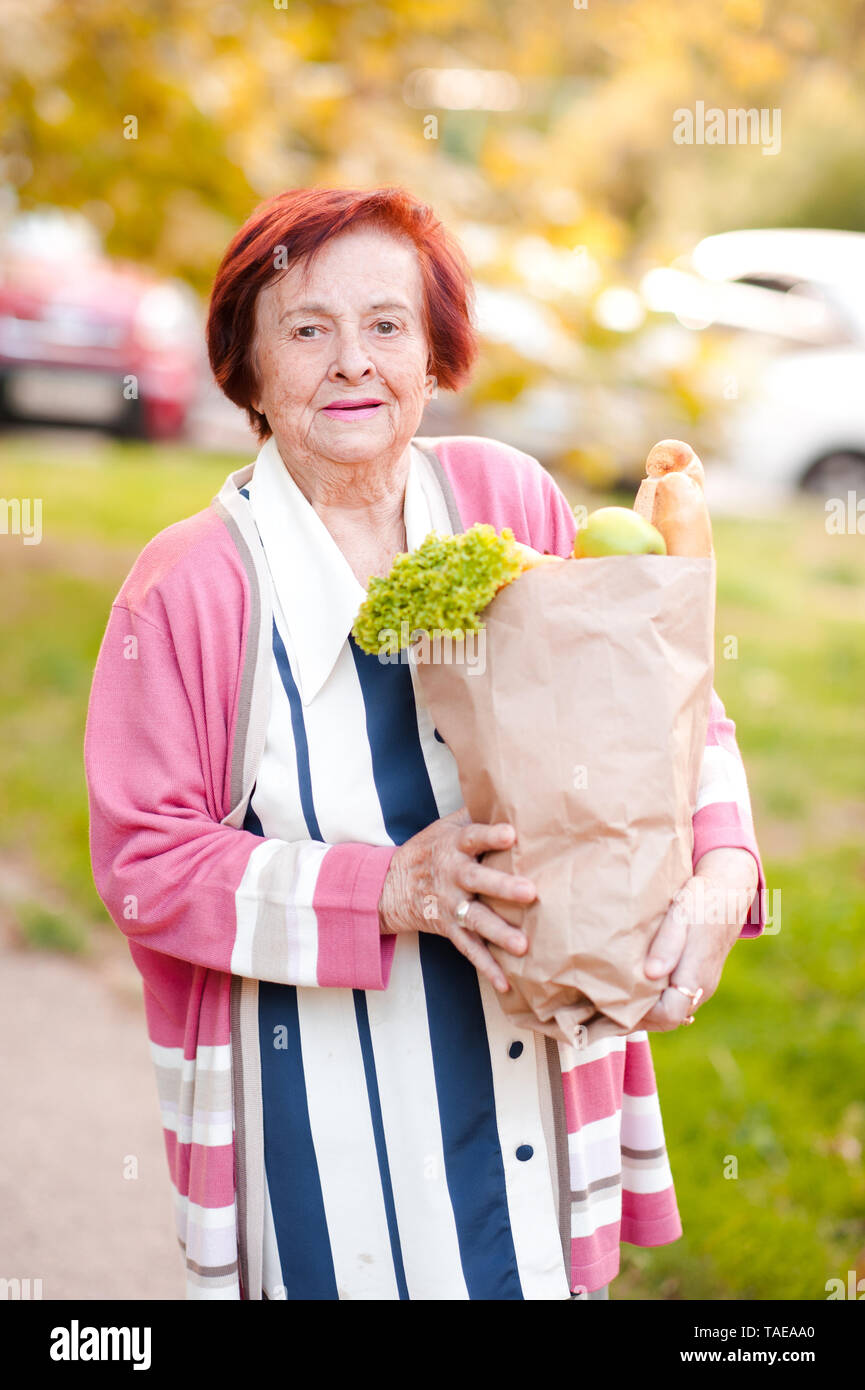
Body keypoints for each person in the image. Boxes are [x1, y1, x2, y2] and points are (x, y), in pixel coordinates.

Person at [84, 185, 765, 1301]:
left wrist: (722, 869)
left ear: (435, 352)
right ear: (247, 369)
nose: (353, 361)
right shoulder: (188, 586)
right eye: (307, 329)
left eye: (387, 324)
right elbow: (148, 868)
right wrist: (393, 889)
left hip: (539, 1074)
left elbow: (669, 707)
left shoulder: (509, 499)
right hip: (324, 1119)